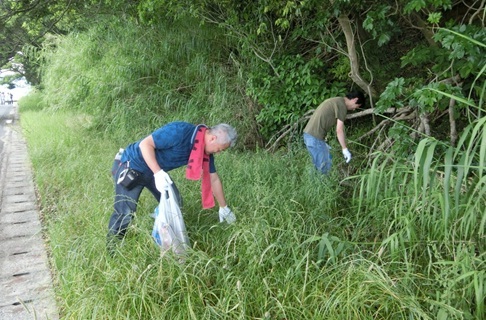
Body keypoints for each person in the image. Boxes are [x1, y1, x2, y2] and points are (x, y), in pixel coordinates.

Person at [107, 121, 237, 245]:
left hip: (155, 171)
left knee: (175, 203)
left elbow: (213, 178)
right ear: (212, 138)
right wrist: (158, 173)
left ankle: (159, 232)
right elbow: (145, 145)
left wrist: (223, 207)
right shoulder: (179, 131)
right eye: (220, 149)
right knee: (125, 213)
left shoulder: (204, 152)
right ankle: (113, 249)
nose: (218, 153)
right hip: (134, 165)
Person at [303, 91, 365, 174]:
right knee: (324, 168)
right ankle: (324, 185)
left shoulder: (336, 100)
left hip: (309, 135)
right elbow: (339, 130)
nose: (354, 109)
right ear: (355, 100)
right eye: (356, 106)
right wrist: (344, 149)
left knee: (317, 166)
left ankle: (314, 184)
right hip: (315, 138)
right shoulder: (342, 105)